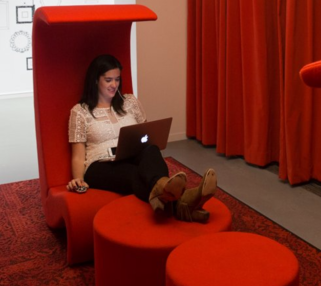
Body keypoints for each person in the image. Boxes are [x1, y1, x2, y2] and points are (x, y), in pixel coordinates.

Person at [67, 54, 217, 222]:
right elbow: (78, 155)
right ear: (95, 80)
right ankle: (185, 201)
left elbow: (147, 132)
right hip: (99, 166)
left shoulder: (129, 101)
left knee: (150, 148)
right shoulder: (80, 111)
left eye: (117, 79)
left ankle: (172, 197)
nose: (114, 85)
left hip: (130, 155)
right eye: (108, 80)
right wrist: (78, 179)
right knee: (136, 174)